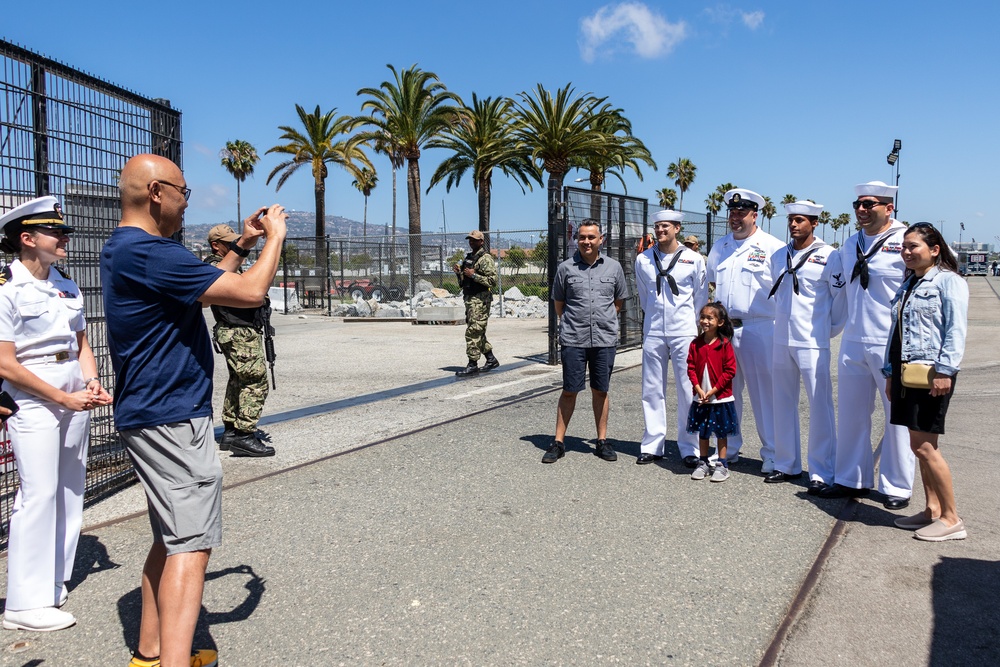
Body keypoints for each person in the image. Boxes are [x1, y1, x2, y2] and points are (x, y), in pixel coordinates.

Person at [101, 154, 286, 667]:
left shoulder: (127, 249)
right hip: (171, 415)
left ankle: (151, 650)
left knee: (169, 534)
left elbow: (198, 289)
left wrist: (243, 245)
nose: (188, 201)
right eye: (183, 190)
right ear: (158, 191)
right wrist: (274, 238)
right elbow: (249, 292)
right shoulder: (149, 251)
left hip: (151, 411)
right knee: (190, 543)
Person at [0, 196, 112, 632]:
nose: (64, 237)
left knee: (69, 486)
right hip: (34, 393)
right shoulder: (6, 287)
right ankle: (23, 604)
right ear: (27, 239)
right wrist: (61, 398)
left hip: (72, 387)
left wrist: (92, 380)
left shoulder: (66, 282)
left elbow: (82, 343)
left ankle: (51, 581)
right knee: (38, 493)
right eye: (55, 232)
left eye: (63, 231)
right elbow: (6, 363)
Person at [820, 181, 912, 509]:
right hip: (854, 340)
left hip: (891, 342)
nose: (861, 209)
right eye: (857, 203)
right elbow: (833, 289)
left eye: (869, 204)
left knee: (896, 417)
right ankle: (850, 479)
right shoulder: (849, 245)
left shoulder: (906, 241)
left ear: (889, 208)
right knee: (852, 414)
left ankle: (896, 486)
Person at [884, 223, 968, 541]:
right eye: (904, 247)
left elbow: (955, 331)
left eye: (913, 246)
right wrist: (891, 373)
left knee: (925, 447)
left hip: (932, 374)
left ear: (934, 250)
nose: (907, 252)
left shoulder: (948, 282)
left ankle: (951, 518)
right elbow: (897, 335)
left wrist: (946, 371)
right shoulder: (909, 284)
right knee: (921, 447)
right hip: (907, 374)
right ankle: (932, 510)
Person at [765, 201, 846, 494]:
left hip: (812, 342)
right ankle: (786, 464)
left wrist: (825, 332)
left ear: (814, 223)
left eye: (800, 220)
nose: (794, 225)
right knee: (782, 403)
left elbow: (840, 302)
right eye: (791, 220)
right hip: (781, 338)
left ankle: (822, 471)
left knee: (819, 406)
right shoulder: (778, 256)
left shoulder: (829, 257)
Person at [706, 188, 785, 472]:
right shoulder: (720, 247)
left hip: (760, 328)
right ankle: (728, 449)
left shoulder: (773, 247)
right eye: (732, 212)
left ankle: (774, 454)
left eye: (742, 212)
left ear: (755, 214)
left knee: (765, 394)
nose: (735, 217)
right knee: (725, 393)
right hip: (726, 331)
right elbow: (712, 285)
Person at [542, 219, 627, 464]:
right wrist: (574, 322)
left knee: (601, 390)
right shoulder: (565, 269)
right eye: (582, 237)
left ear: (601, 240)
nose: (586, 241)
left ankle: (601, 441)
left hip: (603, 338)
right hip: (574, 338)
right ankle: (558, 442)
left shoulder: (613, 267)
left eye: (591, 237)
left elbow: (618, 302)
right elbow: (559, 304)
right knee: (569, 390)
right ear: (576, 240)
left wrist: (603, 320)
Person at [634, 210, 707, 466]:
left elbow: (700, 296)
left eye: (665, 226)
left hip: (683, 330)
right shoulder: (643, 259)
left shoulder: (693, 259)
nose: (660, 230)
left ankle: (690, 447)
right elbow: (644, 296)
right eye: (657, 226)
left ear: (677, 228)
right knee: (652, 389)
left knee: (688, 389)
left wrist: (691, 324)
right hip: (654, 330)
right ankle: (653, 444)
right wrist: (654, 318)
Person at [204, 224, 274, 457]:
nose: (236, 247)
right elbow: (242, 293)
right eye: (230, 243)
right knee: (255, 381)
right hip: (237, 332)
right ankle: (245, 434)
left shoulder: (228, 265)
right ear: (216, 245)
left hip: (239, 331)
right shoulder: (215, 266)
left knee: (238, 381)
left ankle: (232, 430)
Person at [686, 302, 739, 482]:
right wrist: (699, 389)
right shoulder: (696, 343)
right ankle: (703, 462)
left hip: (720, 397)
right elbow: (691, 368)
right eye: (703, 317)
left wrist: (714, 390)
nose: (705, 321)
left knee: (721, 431)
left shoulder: (725, 345)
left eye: (710, 318)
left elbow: (730, 370)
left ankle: (722, 464)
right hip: (701, 396)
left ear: (720, 322)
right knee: (703, 430)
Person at [453, 230, 499, 377]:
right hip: (470, 299)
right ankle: (491, 359)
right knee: (478, 330)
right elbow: (463, 283)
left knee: (473, 331)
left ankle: (472, 364)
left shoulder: (485, 259)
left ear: (481, 242)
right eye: (470, 240)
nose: (471, 242)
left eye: (474, 240)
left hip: (480, 300)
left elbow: (492, 281)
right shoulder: (469, 258)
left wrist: (474, 275)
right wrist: (459, 273)